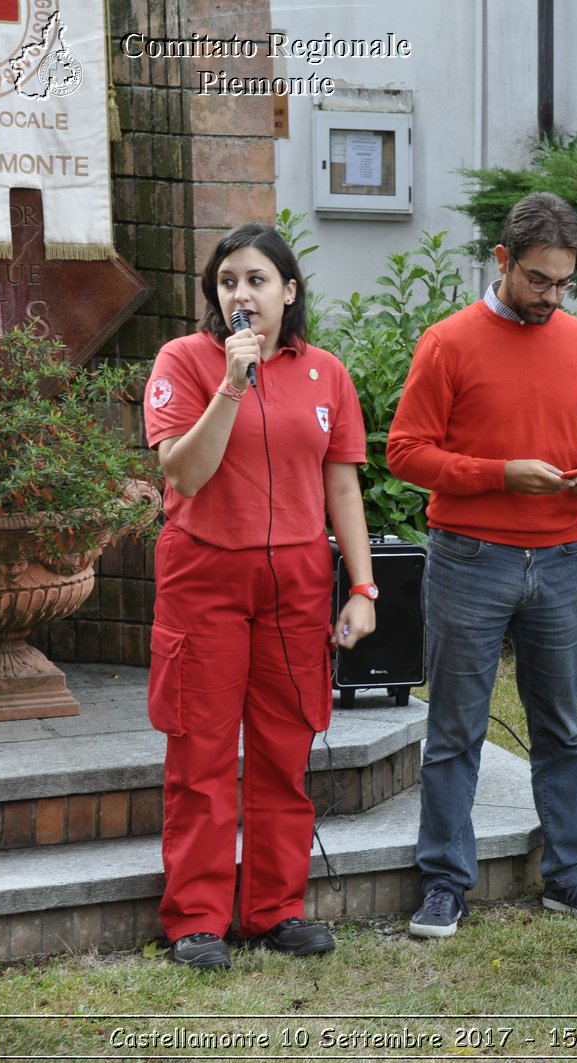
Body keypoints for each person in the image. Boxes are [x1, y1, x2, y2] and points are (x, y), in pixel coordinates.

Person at [387, 192, 577, 936]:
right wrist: (498, 474)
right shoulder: (448, 341)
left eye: (563, 283)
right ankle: (444, 883)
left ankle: (571, 874)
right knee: (457, 727)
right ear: (501, 260)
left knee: (560, 724)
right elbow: (404, 451)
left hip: (557, 557)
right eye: (537, 281)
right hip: (470, 557)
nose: (551, 297)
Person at [145, 223, 377, 970]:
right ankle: (197, 919)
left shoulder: (326, 374)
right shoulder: (185, 361)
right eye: (226, 282)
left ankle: (275, 909)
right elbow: (185, 473)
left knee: (285, 750)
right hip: (206, 577)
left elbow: (341, 482)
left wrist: (364, 585)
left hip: (299, 582)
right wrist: (229, 387)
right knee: (203, 751)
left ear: (289, 290)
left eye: (255, 279)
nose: (239, 294)